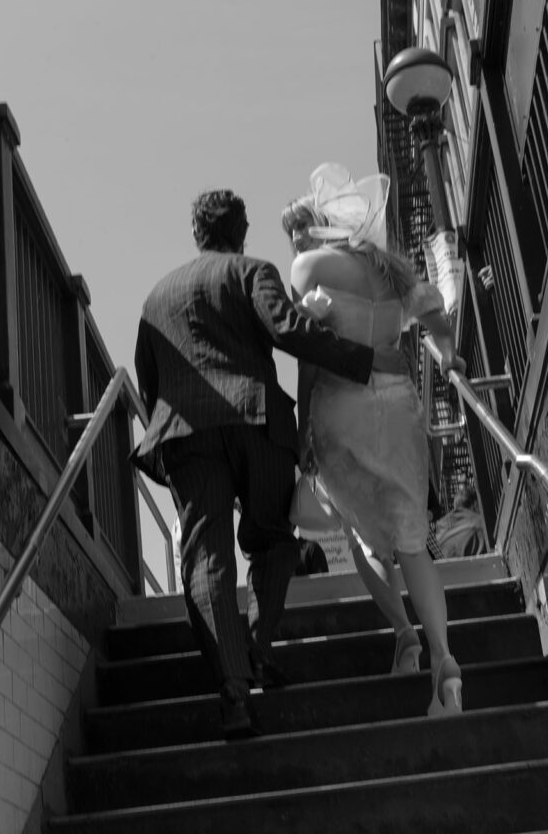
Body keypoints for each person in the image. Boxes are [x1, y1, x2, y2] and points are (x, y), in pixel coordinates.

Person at [132, 188, 409, 739]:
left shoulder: (155, 298)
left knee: (206, 559)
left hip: (186, 433)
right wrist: (363, 359)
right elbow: (287, 329)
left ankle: (233, 690)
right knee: (274, 540)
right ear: (241, 231)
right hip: (257, 424)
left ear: (197, 234)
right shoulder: (250, 270)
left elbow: (148, 380)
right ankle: (257, 648)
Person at [283, 162, 467, 714]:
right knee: (412, 538)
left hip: (341, 406)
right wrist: (450, 354)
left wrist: (302, 433)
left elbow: (311, 356)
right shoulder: (390, 272)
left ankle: (404, 635)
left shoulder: (307, 267)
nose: (294, 240)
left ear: (318, 225)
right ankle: (444, 663)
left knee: (360, 533)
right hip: (398, 403)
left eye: (298, 229)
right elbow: (434, 308)